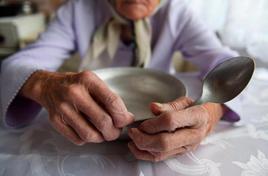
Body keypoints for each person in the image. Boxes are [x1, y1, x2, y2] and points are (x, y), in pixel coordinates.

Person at [0, 0, 241, 162]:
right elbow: (15, 65)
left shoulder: (177, 12)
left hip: (162, 135)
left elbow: (231, 65)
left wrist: (210, 111)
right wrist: (46, 85)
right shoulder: (78, 9)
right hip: (86, 144)